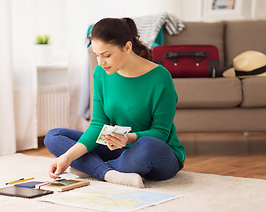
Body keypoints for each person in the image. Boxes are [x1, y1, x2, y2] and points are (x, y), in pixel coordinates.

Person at [44, 17, 186, 188]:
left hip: (156, 153)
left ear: (127, 47)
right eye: (97, 55)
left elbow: (161, 132)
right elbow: (98, 124)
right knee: (54, 136)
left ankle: (92, 167)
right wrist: (68, 157)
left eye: (107, 55)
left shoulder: (160, 78)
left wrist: (128, 139)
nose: (101, 62)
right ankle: (109, 173)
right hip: (116, 147)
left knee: (147, 146)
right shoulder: (100, 73)